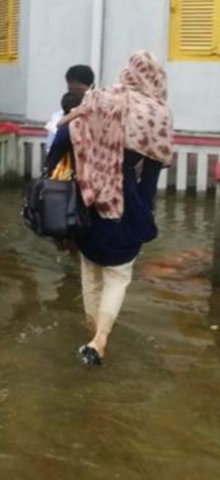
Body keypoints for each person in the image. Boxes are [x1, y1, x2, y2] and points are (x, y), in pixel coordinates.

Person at [54, 51, 173, 366]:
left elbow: (65, 134)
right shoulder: (157, 114)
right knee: (118, 275)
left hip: (87, 197)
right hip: (126, 203)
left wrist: (54, 171)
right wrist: (143, 211)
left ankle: (93, 335)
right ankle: (101, 339)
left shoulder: (101, 100)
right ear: (155, 79)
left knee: (91, 269)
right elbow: (151, 175)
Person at [45, 65, 95, 147]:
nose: (75, 94)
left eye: (79, 90)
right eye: (71, 90)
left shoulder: (99, 114)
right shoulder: (58, 117)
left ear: (92, 87)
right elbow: (50, 147)